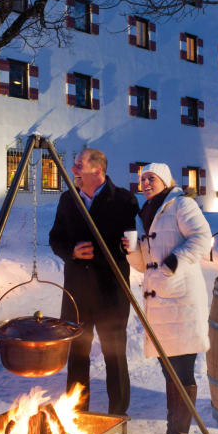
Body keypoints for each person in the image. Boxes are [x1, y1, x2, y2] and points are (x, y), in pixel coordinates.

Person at [125, 162, 212, 434]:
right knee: (169, 371)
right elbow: (142, 265)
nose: (146, 182)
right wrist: (132, 250)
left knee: (181, 371)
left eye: (151, 177)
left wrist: (175, 262)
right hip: (160, 305)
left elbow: (202, 238)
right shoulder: (148, 212)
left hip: (182, 301)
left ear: (166, 179)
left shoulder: (180, 204)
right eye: (142, 179)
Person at [48, 148, 138, 415]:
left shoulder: (123, 200)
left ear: (96, 171)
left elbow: (131, 239)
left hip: (111, 293)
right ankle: (76, 414)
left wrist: (129, 246)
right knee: (77, 356)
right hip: (77, 293)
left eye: (78, 165)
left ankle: (118, 416)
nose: (72, 170)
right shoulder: (68, 199)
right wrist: (71, 252)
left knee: (115, 356)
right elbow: (55, 238)